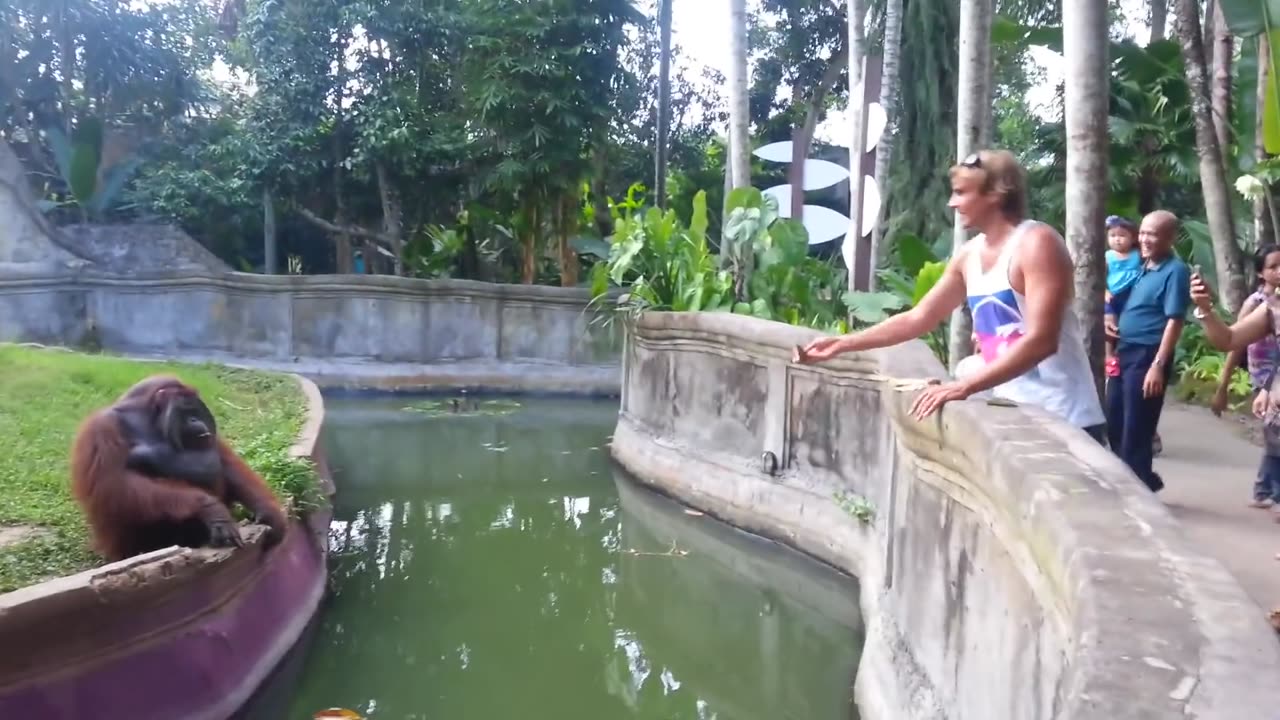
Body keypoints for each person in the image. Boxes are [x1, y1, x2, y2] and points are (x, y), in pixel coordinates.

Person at [795, 149, 1106, 439]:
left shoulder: (1037, 243)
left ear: (996, 193)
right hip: (1014, 413)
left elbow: (1042, 340)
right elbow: (919, 318)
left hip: (1066, 417)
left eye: (961, 193)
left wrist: (964, 386)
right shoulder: (968, 256)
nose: (952, 203)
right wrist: (843, 343)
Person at [1105, 210, 1190, 493]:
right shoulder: (1143, 267)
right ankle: (1142, 479)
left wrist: (1158, 363)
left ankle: (1136, 489)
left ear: (1170, 238)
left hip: (1147, 355)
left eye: (1152, 234)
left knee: (1136, 427)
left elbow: (1174, 320)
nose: (1144, 239)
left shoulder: (1174, 271)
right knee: (1115, 419)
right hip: (1125, 351)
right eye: (1142, 232)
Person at [1208, 244, 1280, 509]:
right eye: (1273, 266)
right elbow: (1233, 341)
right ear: (1261, 273)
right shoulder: (1258, 304)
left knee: (1274, 435)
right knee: (1273, 433)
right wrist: (1223, 385)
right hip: (1264, 373)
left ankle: (1264, 489)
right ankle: (1266, 490)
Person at [1103, 215, 1143, 378]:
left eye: (1122, 236)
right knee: (1109, 325)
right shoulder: (1108, 256)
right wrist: (1104, 291)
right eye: (1113, 236)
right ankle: (1108, 355)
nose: (1117, 240)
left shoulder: (1137, 255)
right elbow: (1100, 277)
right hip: (1112, 296)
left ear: (1132, 238)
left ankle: (1124, 353)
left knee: (1126, 326)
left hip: (1131, 296)